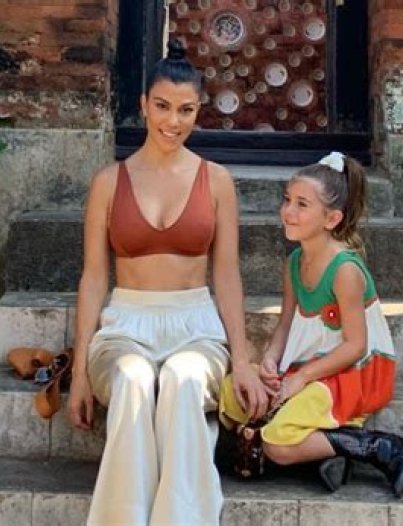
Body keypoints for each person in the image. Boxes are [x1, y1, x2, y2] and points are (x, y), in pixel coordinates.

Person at [67, 39, 268, 526]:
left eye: (185, 110)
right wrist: (79, 372)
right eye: (161, 106)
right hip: (124, 327)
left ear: (198, 111)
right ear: (143, 104)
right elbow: (94, 277)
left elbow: (227, 275)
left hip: (196, 327)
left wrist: (242, 359)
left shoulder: (216, 181)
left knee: (182, 378)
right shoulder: (108, 183)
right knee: (134, 379)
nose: (172, 121)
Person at [219, 152, 403, 497]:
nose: (288, 211)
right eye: (287, 200)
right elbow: (285, 324)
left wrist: (302, 378)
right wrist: (271, 361)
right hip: (309, 365)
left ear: (332, 218)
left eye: (302, 205)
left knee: (277, 441)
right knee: (233, 393)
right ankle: (322, 456)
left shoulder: (345, 270)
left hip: (353, 372)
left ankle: (374, 446)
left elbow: (355, 346)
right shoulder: (295, 262)